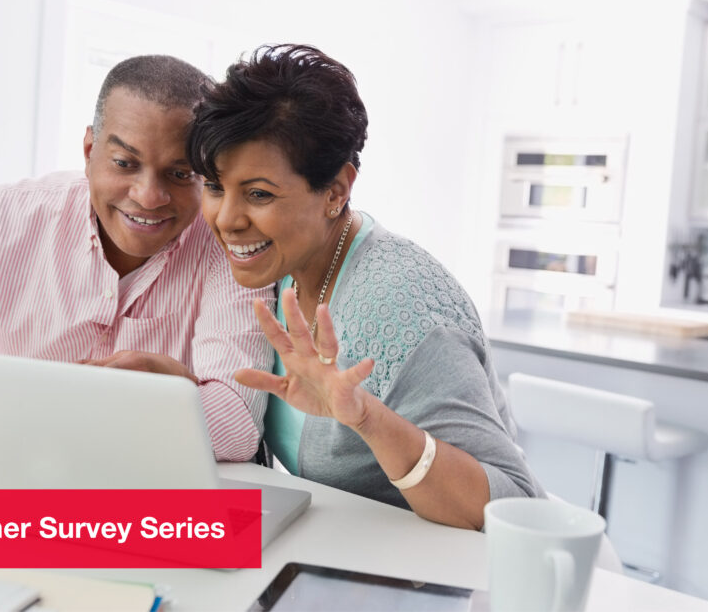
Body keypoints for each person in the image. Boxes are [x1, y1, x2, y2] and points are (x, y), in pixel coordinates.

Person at [0, 55, 273, 462]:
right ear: (90, 151)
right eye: (124, 163)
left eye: (180, 173)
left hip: (159, 504)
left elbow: (237, 425)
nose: (149, 196)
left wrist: (160, 394)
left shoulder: (230, 242)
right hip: (26, 494)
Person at [187, 44, 545, 530]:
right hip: (332, 554)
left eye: (258, 194)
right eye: (213, 187)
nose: (226, 220)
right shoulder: (279, 264)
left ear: (335, 192)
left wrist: (367, 419)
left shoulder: (402, 306)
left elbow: (510, 503)